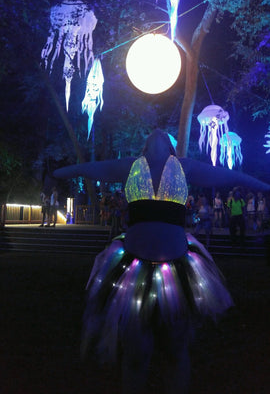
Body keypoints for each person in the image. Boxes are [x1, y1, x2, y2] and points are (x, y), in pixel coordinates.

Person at [54, 129, 270, 394]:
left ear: (171, 148)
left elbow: (229, 176)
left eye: (163, 134)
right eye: (152, 133)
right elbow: (93, 168)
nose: (158, 130)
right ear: (145, 147)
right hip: (133, 270)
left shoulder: (184, 166)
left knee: (176, 349)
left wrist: (263, 186)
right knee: (136, 351)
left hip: (176, 271)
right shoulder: (130, 165)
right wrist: (58, 173)